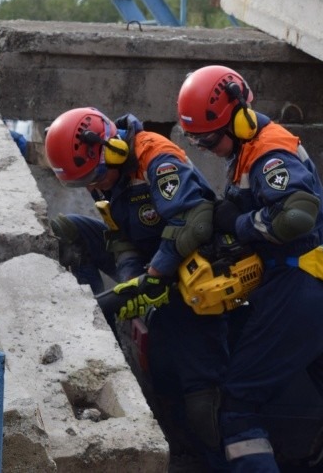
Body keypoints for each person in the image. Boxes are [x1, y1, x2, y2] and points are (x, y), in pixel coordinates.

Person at [176, 65, 323, 472]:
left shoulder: (269, 152)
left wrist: (237, 224)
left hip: (296, 291)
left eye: (211, 138)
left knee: (238, 408)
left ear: (237, 117)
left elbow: (296, 216)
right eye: (198, 142)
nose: (207, 147)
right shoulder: (250, 149)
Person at [43, 107, 230, 470]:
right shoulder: (107, 176)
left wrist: (155, 275)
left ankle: (211, 460)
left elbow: (195, 219)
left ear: (111, 148)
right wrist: (131, 280)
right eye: (86, 181)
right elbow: (121, 236)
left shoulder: (157, 161)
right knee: (69, 230)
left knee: (199, 400)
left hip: (187, 271)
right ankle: (100, 334)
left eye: (96, 175)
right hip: (149, 266)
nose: (96, 185)